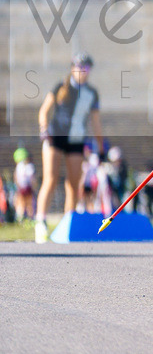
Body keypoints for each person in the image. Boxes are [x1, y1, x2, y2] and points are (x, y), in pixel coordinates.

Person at [35, 53, 104, 243]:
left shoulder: (92, 93)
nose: (82, 72)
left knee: (74, 183)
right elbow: (44, 110)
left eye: (86, 69)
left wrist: (101, 146)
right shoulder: (61, 86)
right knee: (51, 178)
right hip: (55, 137)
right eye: (79, 68)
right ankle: (40, 221)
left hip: (76, 139)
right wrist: (43, 129)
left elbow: (95, 122)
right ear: (73, 68)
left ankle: (68, 222)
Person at [13, 146, 36, 222]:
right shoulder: (30, 166)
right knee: (29, 203)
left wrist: (17, 186)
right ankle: (30, 217)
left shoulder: (19, 166)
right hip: (28, 187)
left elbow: (16, 177)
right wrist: (33, 187)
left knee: (21, 203)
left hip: (21, 187)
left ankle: (21, 217)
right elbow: (32, 178)